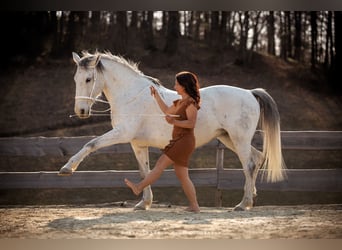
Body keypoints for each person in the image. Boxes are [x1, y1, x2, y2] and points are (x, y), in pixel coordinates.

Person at [124, 71, 201, 213]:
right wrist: (156, 96)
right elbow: (166, 111)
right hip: (179, 140)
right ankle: (194, 206)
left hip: (184, 141)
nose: (175, 86)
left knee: (160, 165)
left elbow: (191, 124)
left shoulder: (190, 103)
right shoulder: (179, 102)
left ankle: (139, 187)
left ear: (184, 86)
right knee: (183, 176)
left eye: (177, 84)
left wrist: (174, 121)